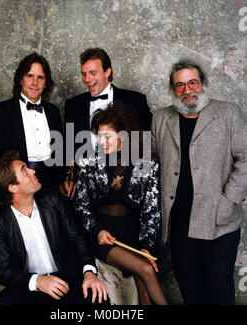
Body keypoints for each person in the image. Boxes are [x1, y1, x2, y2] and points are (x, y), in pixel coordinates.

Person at [151, 59, 247, 305]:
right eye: (180, 85)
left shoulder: (228, 113)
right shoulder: (160, 118)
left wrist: (228, 200)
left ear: (202, 83)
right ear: (173, 89)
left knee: (219, 290)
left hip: (219, 221)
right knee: (190, 289)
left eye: (192, 82)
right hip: (179, 223)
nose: (187, 90)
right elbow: (151, 164)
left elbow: (246, 159)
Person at [0, 150, 110, 305]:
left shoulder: (53, 199)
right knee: (3, 302)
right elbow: (4, 271)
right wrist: (38, 281)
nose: (33, 171)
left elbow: (78, 239)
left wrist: (89, 273)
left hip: (67, 279)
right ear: (13, 188)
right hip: (31, 287)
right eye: (25, 170)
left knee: (98, 297)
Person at [73, 104, 168, 305]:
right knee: (146, 269)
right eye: (99, 135)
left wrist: (146, 246)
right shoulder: (87, 162)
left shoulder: (147, 165)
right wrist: (97, 230)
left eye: (107, 137)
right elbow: (81, 205)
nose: (101, 141)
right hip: (105, 237)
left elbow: (151, 211)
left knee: (144, 287)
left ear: (123, 137)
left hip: (135, 237)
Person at [63, 48, 152, 198]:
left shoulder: (135, 101)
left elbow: (147, 144)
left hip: (126, 184)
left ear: (107, 72)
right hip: (87, 187)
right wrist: (69, 178)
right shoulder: (73, 105)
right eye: (83, 74)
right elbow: (69, 146)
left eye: (92, 73)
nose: (87, 79)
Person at [0, 52, 65, 214]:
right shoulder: (0, 111)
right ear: (20, 79)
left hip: (52, 191)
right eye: (30, 76)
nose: (35, 82)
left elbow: (59, 153)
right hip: (17, 191)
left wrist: (63, 183)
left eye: (40, 77)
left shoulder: (53, 111)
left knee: (52, 237)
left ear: (45, 83)